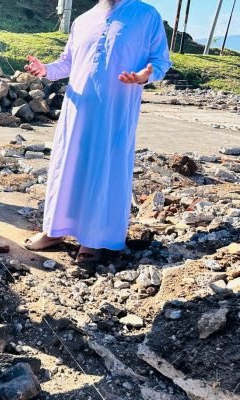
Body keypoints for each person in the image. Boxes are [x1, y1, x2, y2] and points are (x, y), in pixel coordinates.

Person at [23, 0, 171, 264]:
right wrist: (46, 70)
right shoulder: (83, 20)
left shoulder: (147, 15)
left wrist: (144, 76)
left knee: (104, 169)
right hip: (76, 110)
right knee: (67, 167)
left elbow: (160, 60)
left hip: (114, 114)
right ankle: (55, 231)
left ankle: (93, 240)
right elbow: (67, 63)